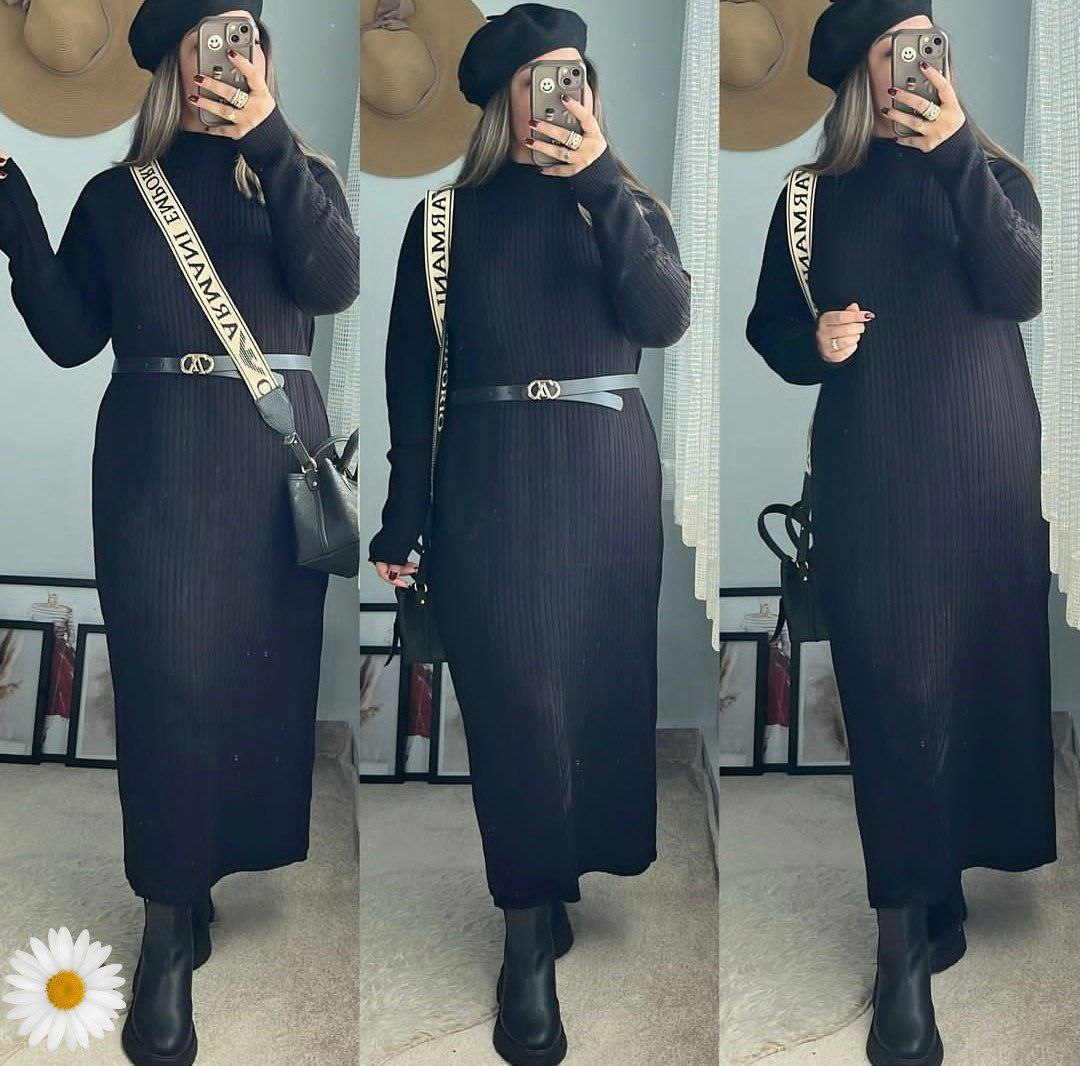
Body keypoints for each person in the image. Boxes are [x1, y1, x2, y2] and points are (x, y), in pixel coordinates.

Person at [0, 2, 359, 1063]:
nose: (229, 59)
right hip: (155, 458)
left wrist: (269, 140)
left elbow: (334, 284)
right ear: (171, 65)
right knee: (166, 683)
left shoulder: (300, 176)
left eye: (246, 39)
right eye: (212, 43)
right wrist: (14, 213)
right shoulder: (119, 195)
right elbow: (70, 335)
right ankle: (165, 923)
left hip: (270, 463)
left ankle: (202, 875)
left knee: (252, 678)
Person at [368, 5, 690, 1064]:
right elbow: (412, 382)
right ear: (503, 100)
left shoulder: (628, 206)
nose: (564, 95)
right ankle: (524, 939)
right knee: (516, 708)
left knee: (591, 696)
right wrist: (403, 517)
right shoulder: (444, 221)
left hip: (605, 481)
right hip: (490, 484)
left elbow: (664, 319)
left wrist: (599, 184)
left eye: (577, 76)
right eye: (542, 80)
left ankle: (556, 884)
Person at [746, 3, 1053, 1064]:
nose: (920, 64)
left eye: (930, 44)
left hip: (988, 471)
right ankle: (900, 951)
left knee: (971, 678)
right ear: (861, 75)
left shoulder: (993, 177)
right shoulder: (811, 197)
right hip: (873, 473)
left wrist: (958, 152)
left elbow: (1020, 289)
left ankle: (940, 891)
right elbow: (768, 326)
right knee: (893, 696)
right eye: (897, 50)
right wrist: (817, 340)